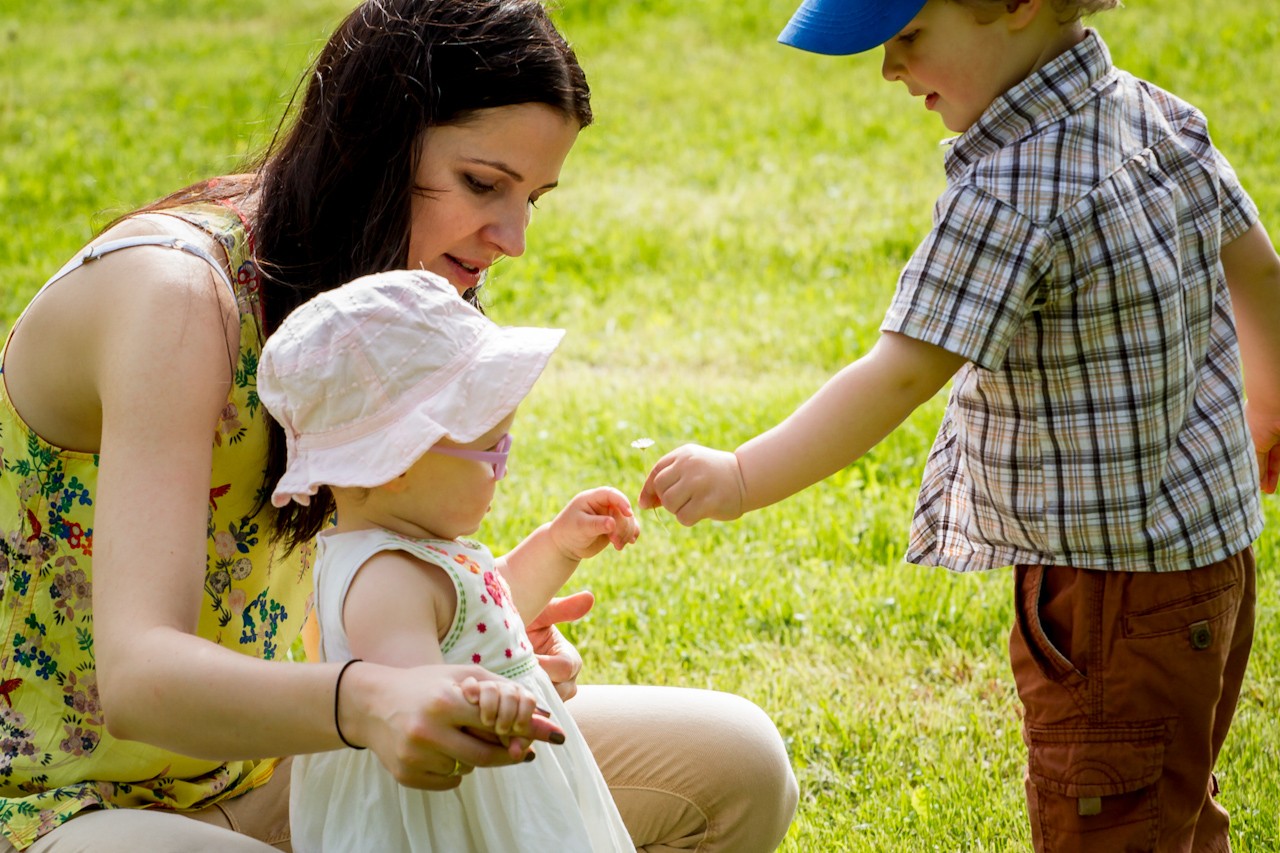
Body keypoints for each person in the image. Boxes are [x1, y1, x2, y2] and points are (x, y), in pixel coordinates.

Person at [0, 1, 798, 850]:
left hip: (303, 761)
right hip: (80, 810)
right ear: (373, 143)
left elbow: (340, 573)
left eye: (533, 196)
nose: (514, 236)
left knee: (739, 767)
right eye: (485, 184)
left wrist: (463, 660)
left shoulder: (388, 286)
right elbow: (140, 675)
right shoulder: (174, 297)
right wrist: (376, 699)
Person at [638, 0, 1280, 850]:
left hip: (1107, 592)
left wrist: (742, 474)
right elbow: (1258, 270)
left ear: (1013, 6)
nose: (889, 68)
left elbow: (900, 371)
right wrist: (1266, 407)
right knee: (1174, 801)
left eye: (907, 36)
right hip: (1213, 559)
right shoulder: (1156, 113)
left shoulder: (1010, 191)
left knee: (1114, 820)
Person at [257, 270, 637, 852]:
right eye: (494, 450)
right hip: (450, 814)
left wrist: (558, 544)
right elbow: (423, 696)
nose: (500, 469)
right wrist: (483, 698)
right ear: (399, 462)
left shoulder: (416, 552)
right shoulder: (383, 580)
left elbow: (483, 609)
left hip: (487, 788)